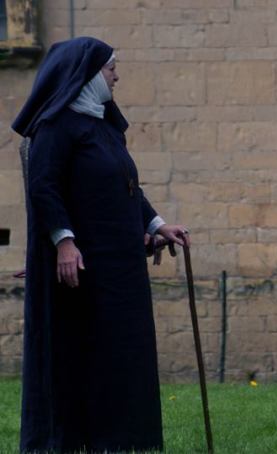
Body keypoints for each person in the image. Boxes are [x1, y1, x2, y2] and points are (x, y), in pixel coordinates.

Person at [12, 37, 188, 452]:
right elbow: (44, 186)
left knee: (125, 356)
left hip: (120, 267)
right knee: (86, 356)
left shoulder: (104, 126)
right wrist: (64, 242)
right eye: (110, 68)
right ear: (88, 74)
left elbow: (127, 187)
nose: (117, 75)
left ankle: (123, 440)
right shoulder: (58, 126)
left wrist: (158, 224)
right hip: (84, 270)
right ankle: (76, 440)